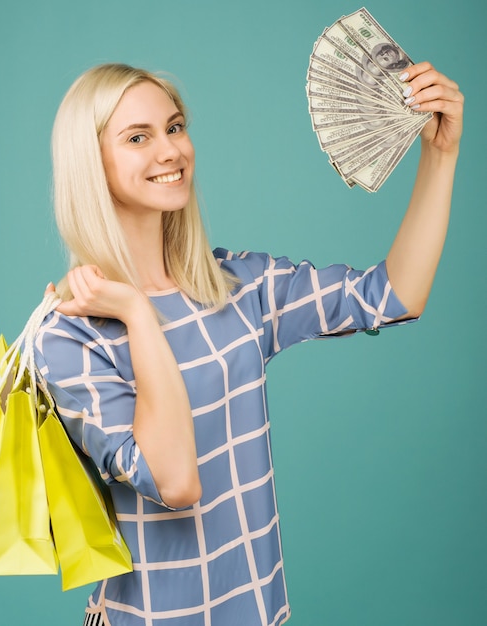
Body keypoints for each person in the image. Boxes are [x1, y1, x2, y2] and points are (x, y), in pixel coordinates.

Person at [34, 62, 463, 626]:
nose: (169, 150)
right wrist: (137, 311)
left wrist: (441, 154)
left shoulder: (237, 288)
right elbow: (176, 482)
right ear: (91, 164)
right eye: (138, 137)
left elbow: (393, 295)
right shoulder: (68, 334)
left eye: (175, 126)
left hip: (258, 612)